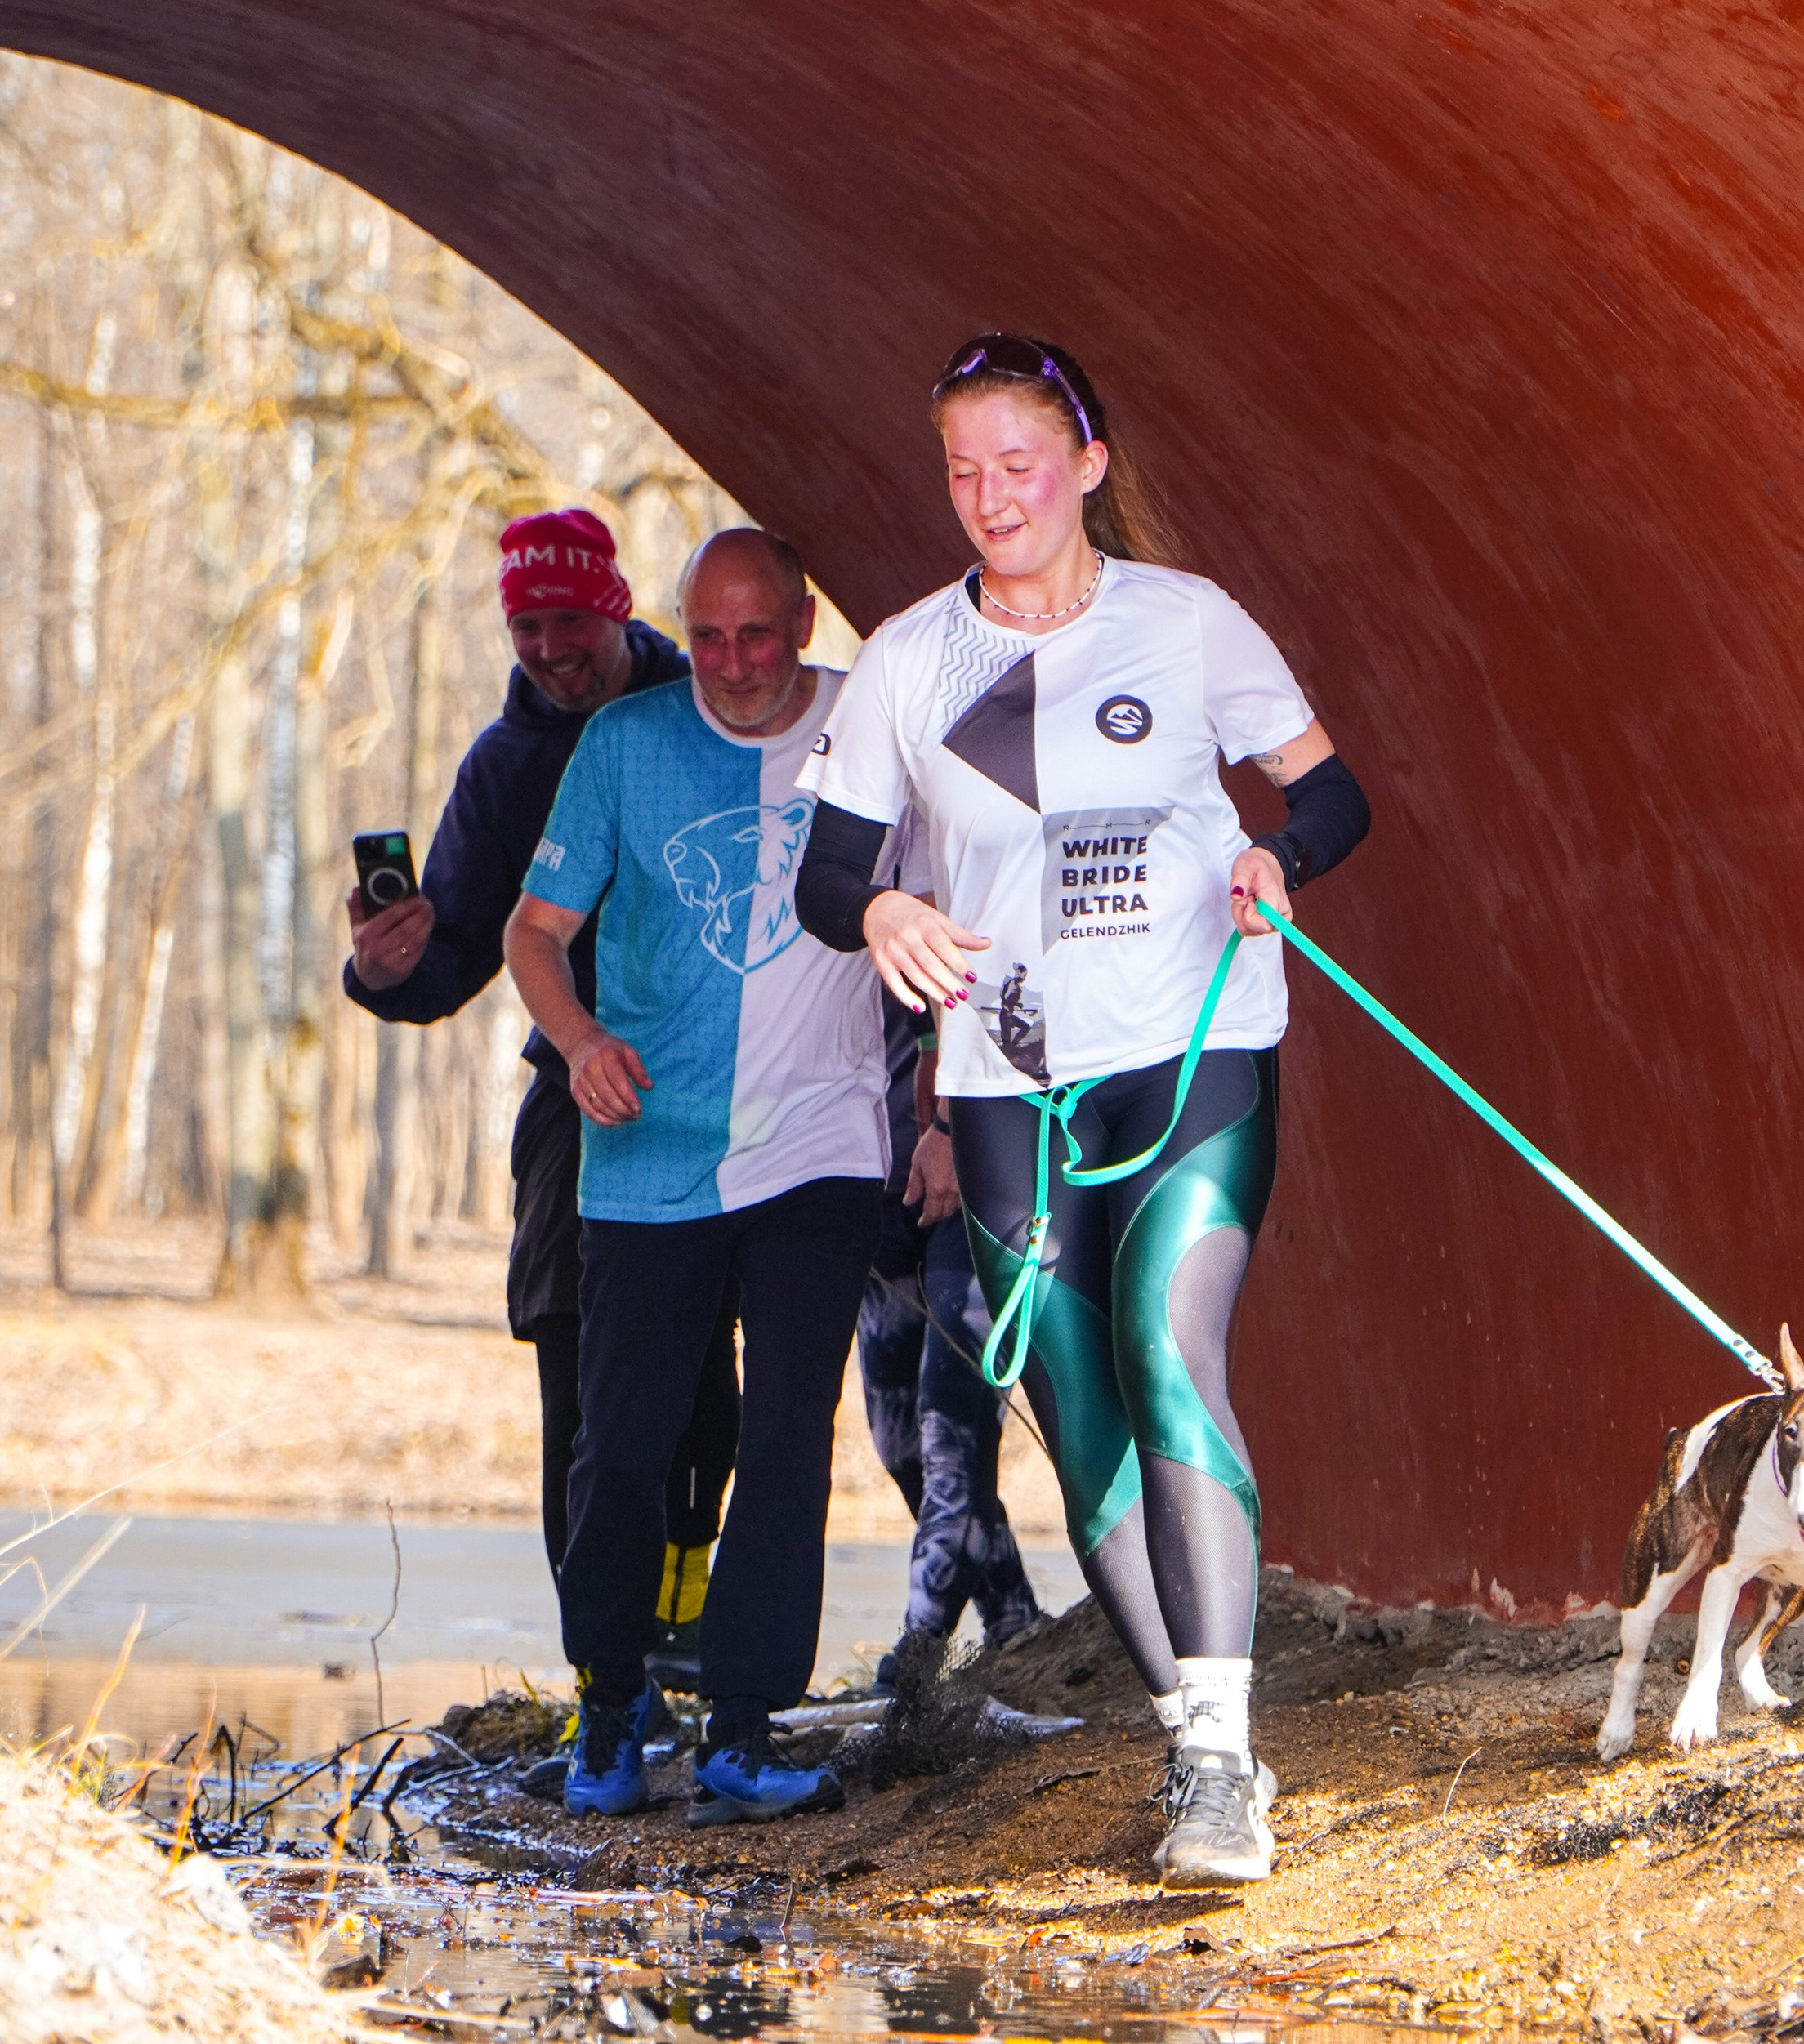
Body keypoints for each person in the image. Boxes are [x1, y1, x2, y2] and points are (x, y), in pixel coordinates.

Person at [796, 332, 1369, 1884]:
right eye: (964, 472)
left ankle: (1224, 1766)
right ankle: (1194, 1738)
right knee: (1074, 1407)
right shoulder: (910, 659)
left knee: (1167, 1351)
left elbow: (1332, 792)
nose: (993, 497)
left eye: (1021, 465)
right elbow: (829, 877)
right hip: (1006, 1084)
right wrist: (882, 913)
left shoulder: (1185, 623)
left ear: (1088, 467)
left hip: (1191, 1051)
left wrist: (1277, 858)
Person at [504, 524, 887, 1823]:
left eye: (756, 635)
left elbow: (960, 902)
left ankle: (743, 1726)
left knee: (785, 1434)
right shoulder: (626, 744)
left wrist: (945, 1105)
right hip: (648, 1148)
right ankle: (611, 1706)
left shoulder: (870, 727)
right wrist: (579, 1041)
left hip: (823, 1143)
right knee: (623, 1444)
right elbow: (534, 931)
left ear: (804, 622)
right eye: (707, 636)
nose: (729, 663)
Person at [343, 508, 740, 1667]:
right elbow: (457, 955)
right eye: (527, 627)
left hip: (726, 1084)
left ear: (615, 608)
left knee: (703, 1381)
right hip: (576, 1089)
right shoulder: (505, 765)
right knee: (573, 1365)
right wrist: (386, 971)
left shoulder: (708, 708)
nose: (551, 649)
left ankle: (688, 1612)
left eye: (570, 621)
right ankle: (601, 1662)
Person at [855, 981, 1043, 1677]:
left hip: (982, 1169)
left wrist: (952, 1124)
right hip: (878, 1180)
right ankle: (1016, 1623)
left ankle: (916, 1658)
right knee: (899, 1443)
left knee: (950, 1437)